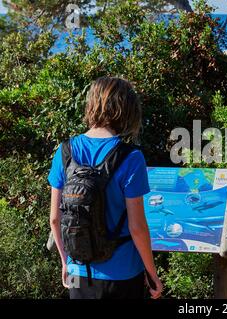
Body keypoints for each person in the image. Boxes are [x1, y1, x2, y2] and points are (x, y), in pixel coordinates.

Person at [48, 76, 163, 299]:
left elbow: (55, 218)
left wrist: (66, 263)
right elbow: (137, 227)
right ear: (126, 109)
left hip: (78, 270)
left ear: (91, 104)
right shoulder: (131, 157)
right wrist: (152, 274)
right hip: (123, 273)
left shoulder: (64, 152)